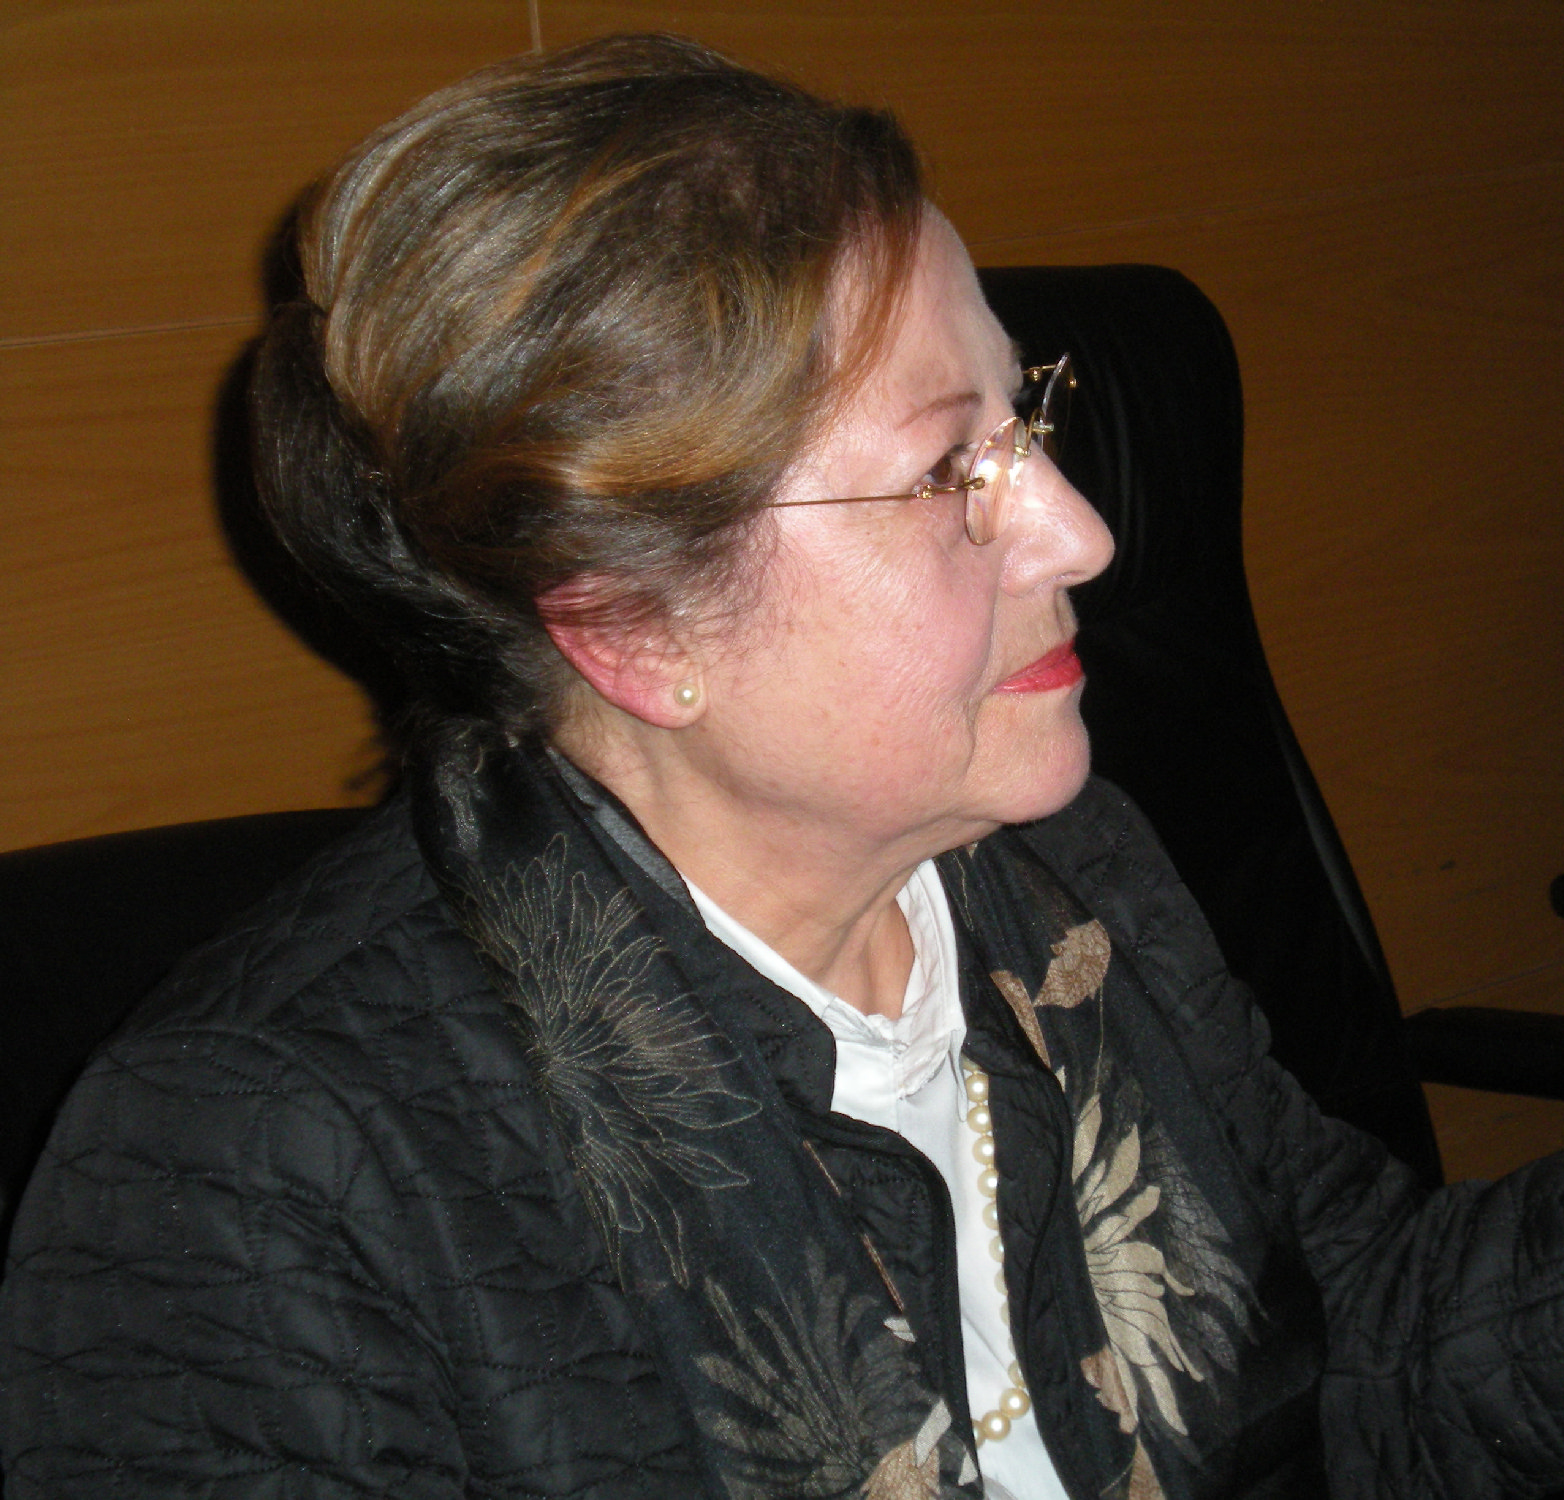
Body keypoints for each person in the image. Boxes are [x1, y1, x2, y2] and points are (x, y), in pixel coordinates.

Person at [2, 33, 1562, 1500]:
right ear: (634, 632)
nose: (1080, 530)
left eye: (1025, 415)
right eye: (948, 470)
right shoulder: (264, 1177)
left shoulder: (1064, 876)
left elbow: (1366, 1338)